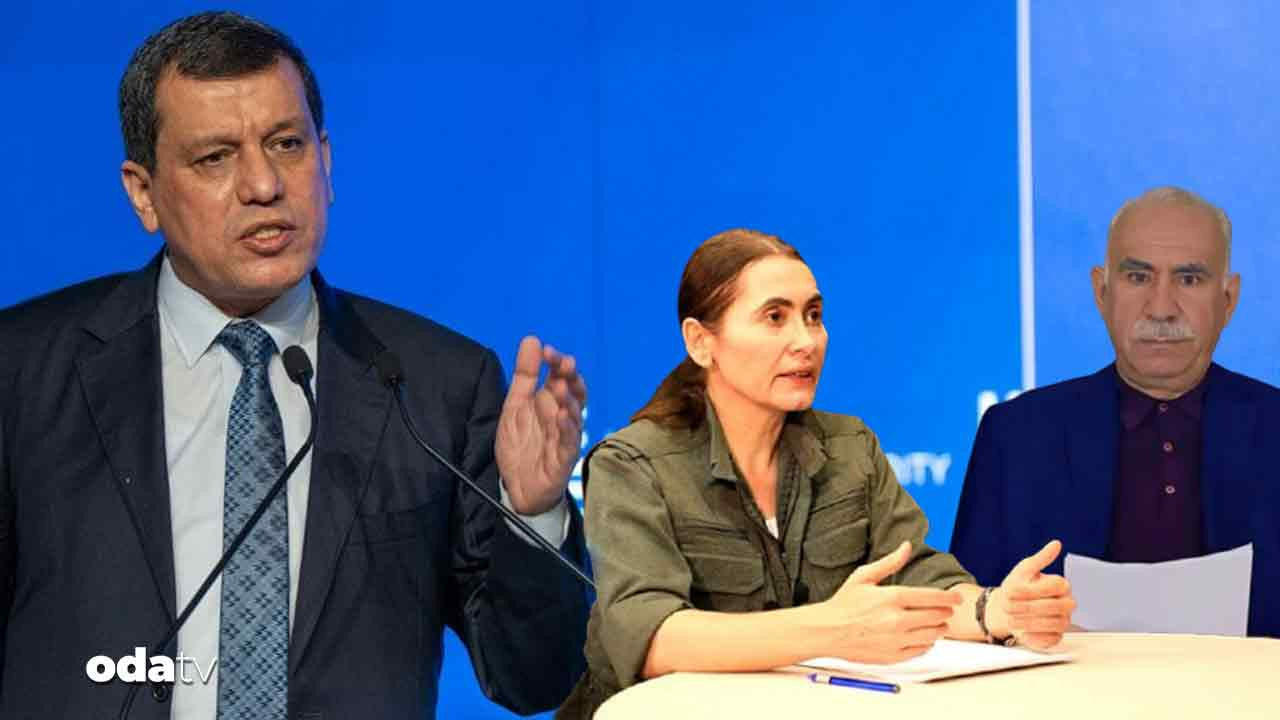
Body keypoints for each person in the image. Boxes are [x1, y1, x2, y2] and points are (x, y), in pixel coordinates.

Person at [0, 11, 589, 718]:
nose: (263, 185)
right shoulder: (20, 372)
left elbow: (534, 678)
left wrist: (535, 514)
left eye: (286, 144)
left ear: (326, 162)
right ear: (143, 193)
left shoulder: (438, 385)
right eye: (215, 157)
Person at [557, 229, 1076, 717]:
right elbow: (651, 637)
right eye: (774, 317)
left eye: (813, 315)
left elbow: (917, 578)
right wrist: (831, 629)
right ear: (700, 342)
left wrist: (996, 611)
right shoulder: (631, 464)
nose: (806, 340)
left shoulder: (850, 447)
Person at [952, 186, 1280, 637]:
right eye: (1138, 277)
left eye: (1189, 279)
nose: (1161, 308)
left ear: (1228, 299)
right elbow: (969, 626)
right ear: (1101, 291)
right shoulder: (1016, 436)